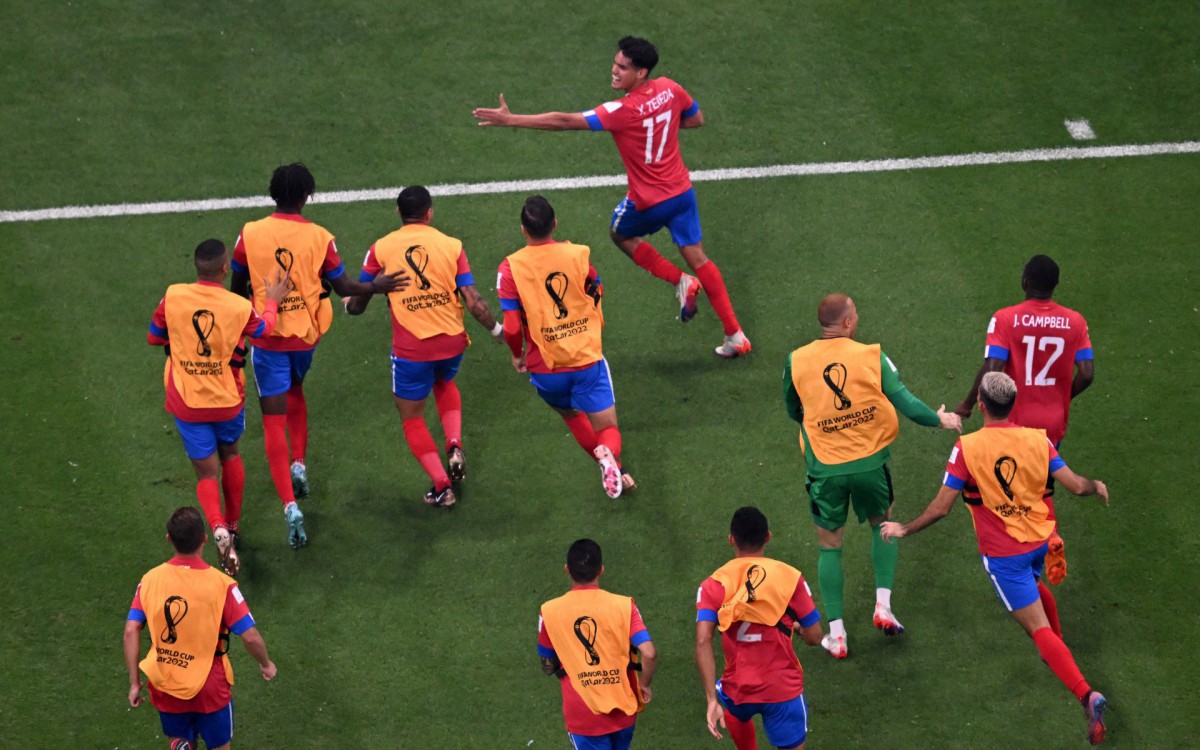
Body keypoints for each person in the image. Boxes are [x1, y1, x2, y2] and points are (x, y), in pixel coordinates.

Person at [473, 36, 752, 358]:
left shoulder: (622, 110)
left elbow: (566, 121)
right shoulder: (671, 88)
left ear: (641, 72)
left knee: (619, 232)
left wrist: (511, 119)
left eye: (623, 67)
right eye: (616, 63)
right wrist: (658, 130)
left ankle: (679, 280)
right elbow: (696, 119)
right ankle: (735, 334)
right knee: (700, 258)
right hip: (681, 193)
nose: (615, 70)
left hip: (648, 201)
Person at [881, 371, 1110, 745]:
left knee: (1036, 628)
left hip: (1006, 556)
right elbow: (1074, 484)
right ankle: (1058, 646)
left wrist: (904, 528)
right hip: (1041, 539)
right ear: (1012, 405)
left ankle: (1086, 694)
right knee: (1037, 594)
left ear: (983, 405)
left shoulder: (966, 448)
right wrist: (1095, 486)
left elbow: (941, 508)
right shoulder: (1040, 440)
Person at [230, 163, 409, 548]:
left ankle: (290, 504)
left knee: (273, 421)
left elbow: (237, 288)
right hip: (305, 340)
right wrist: (376, 286)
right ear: (307, 196)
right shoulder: (320, 238)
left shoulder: (249, 234)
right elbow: (343, 284)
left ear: (272, 193)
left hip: (268, 340)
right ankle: (300, 464)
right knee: (296, 390)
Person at [783, 293, 962, 659]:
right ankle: (883, 605)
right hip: (869, 465)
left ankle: (837, 634)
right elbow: (906, 401)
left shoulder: (795, 360)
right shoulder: (870, 355)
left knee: (829, 545)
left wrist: (826, 426)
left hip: (825, 470)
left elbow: (793, 408)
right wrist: (940, 419)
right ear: (847, 323)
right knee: (884, 524)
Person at [343, 185, 504, 508]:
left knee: (412, 417)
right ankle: (454, 444)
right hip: (452, 342)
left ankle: (442, 486)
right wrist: (499, 331)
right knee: (444, 381)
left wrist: (348, 305)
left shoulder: (381, 248)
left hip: (412, 350)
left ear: (398, 213)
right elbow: (474, 302)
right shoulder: (451, 245)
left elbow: (359, 301)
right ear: (429, 213)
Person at [147, 239, 289, 575]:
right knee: (231, 455)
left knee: (206, 472)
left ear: (197, 268)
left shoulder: (174, 296)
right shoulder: (238, 306)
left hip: (188, 401)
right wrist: (271, 303)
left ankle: (218, 526)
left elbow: (155, 336)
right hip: (227, 400)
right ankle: (234, 526)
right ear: (225, 269)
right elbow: (264, 331)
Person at [954, 255, 1094, 585]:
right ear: (1055, 286)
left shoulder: (1006, 319)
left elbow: (993, 369)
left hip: (1015, 417)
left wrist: (967, 403)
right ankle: (1050, 536)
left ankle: (1025, 549)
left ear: (1024, 282)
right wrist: (1062, 397)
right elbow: (1087, 374)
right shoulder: (1075, 322)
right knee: (1042, 480)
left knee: (1013, 486)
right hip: (1053, 419)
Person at [498, 195, 635, 498]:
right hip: (585, 359)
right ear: (555, 224)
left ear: (523, 229)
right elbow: (596, 288)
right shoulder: (577, 255)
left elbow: (510, 326)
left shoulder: (510, 269)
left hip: (545, 367)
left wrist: (516, 354)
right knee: (608, 429)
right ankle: (609, 456)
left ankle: (617, 468)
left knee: (572, 415)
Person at [124, 507, 277, 750]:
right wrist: (266, 663)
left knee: (178, 739)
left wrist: (134, 683)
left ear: (169, 540)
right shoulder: (222, 585)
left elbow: (132, 630)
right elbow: (249, 636)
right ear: (205, 539)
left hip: (166, 682)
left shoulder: (149, 580)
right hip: (209, 688)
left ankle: (180, 745)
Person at [695, 506, 824, 750]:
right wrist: (799, 629)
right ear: (768, 536)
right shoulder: (790, 577)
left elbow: (703, 641)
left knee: (732, 705)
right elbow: (815, 636)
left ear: (731, 539)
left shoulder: (713, 584)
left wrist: (711, 699)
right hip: (782, 689)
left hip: (738, 690)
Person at [538, 539, 657, 750]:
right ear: (601, 570)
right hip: (623, 710)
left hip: (583, 715)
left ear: (567, 570)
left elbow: (547, 665)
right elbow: (648, 653)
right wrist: (644, 684)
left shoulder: (548, 611)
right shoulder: (625, 605)